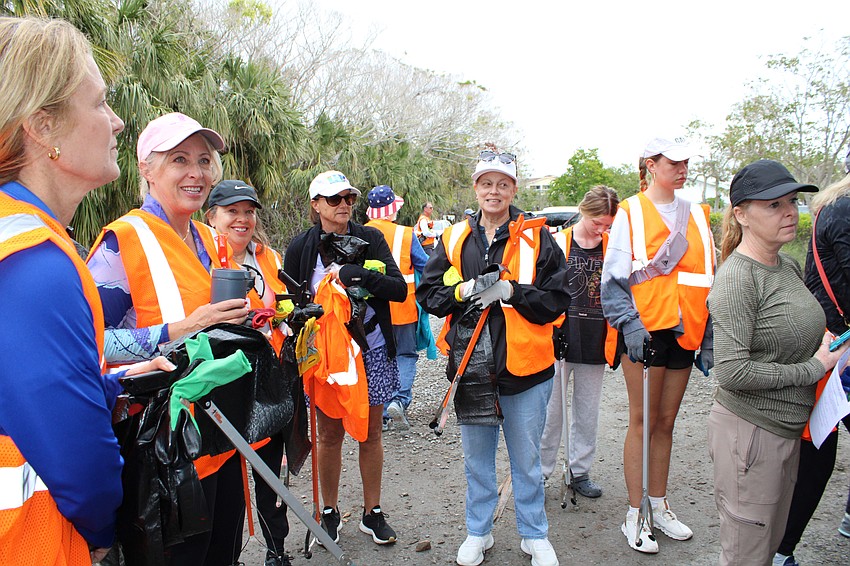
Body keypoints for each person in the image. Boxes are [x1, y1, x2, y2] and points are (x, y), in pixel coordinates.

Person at [0, 16, 172, 565]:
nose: (118, 121)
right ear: (42, 126)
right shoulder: (35, 264)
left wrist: (106, 382)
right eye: (99, 103)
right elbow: (81, 469)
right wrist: (103, 532)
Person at [87, 112, 253, 565]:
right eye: (179, 159)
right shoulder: (123, 241)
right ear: (147, 168)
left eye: (204, 160)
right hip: (161, 447)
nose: (196, 173)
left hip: (219, 435)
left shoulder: (209, 238)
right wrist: (180, 330)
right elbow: (91, 344)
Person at [417, 150, 570, 566]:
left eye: (503, 183)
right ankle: (478, 532)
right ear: (476, 187)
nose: (494, 191)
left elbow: (557, 301)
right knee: (477, 459)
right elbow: (428, 295)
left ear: (513, 189)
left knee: (526, 458)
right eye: (487, 182)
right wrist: (463, 292)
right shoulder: (454, 238)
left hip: (527, 368)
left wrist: (513, 293)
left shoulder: (538, 237)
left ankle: (534, 534)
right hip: (471, 367)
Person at [707, 158, 849, 565]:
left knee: (768, 549)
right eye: (773, 205)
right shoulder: (737, 278)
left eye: (792, 201)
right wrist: (815, 367)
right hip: (751, 436)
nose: (790, 212)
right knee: (747, 554)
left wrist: (826, 344)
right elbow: (731, 372)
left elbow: (788, 331)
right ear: (741, 214)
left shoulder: (785, 265)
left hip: (786, 432)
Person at [601, 136, 715, 553]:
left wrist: (711, 333)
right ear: (651, 165)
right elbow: (612, 279)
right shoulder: (630, 212)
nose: (682, 168)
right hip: (645, 330)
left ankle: (658, 503)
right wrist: (628, 323)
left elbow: (708, 274)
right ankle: (635, 514)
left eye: (686, 161)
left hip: (687, 329)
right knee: (642, 420)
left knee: (666, 421)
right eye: (674, 161)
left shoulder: (698, 214)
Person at [282, 170, 407, 547]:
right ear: (316, 204)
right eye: (334, 199)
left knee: (371, 433)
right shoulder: (301, 247)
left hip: (370, 349)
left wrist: (356, 275)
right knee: (329, 434)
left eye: (349, 199)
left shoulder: (371, 238)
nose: (343, 206)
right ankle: (330, 511)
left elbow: (398, 289)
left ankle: (372, 513)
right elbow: (290, 301)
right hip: (326, 356)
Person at [205, 179, 296, 566]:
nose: (242, 219)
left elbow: (285, 301)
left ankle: (276, 550)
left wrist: (290, 315)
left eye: (248, 211)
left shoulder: (268, 257)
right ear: (211, 217)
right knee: (225, 474)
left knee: (270, 469)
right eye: (232, 212)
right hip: (222, 382)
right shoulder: (202, 256)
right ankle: (229, 553)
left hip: (269, 379)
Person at [773, 152, 850, 566]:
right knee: (818, 449)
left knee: (819, 447)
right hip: (835, 346)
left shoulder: (831, 208)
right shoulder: (843, 210)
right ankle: (780, 550)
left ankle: (782, 549)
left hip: (830, 339)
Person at [540, 185, 619, 498]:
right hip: (558, 340)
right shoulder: (558, 242)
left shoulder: (613, 247)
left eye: (607, 225)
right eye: (596, 222)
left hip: (596, 339)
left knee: (587, 413)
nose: (601, 230)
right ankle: (542, 474)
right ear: (583, 211)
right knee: (550, 415)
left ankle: (580, 472)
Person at [364, 185, 429, 431]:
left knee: (375, 356)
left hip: (369, 310)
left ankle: (377, 410)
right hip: (402, 305)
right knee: (405, 354)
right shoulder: (405, 233)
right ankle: (399, 401)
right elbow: (425, 264)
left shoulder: (359, 232)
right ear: (392, 210)